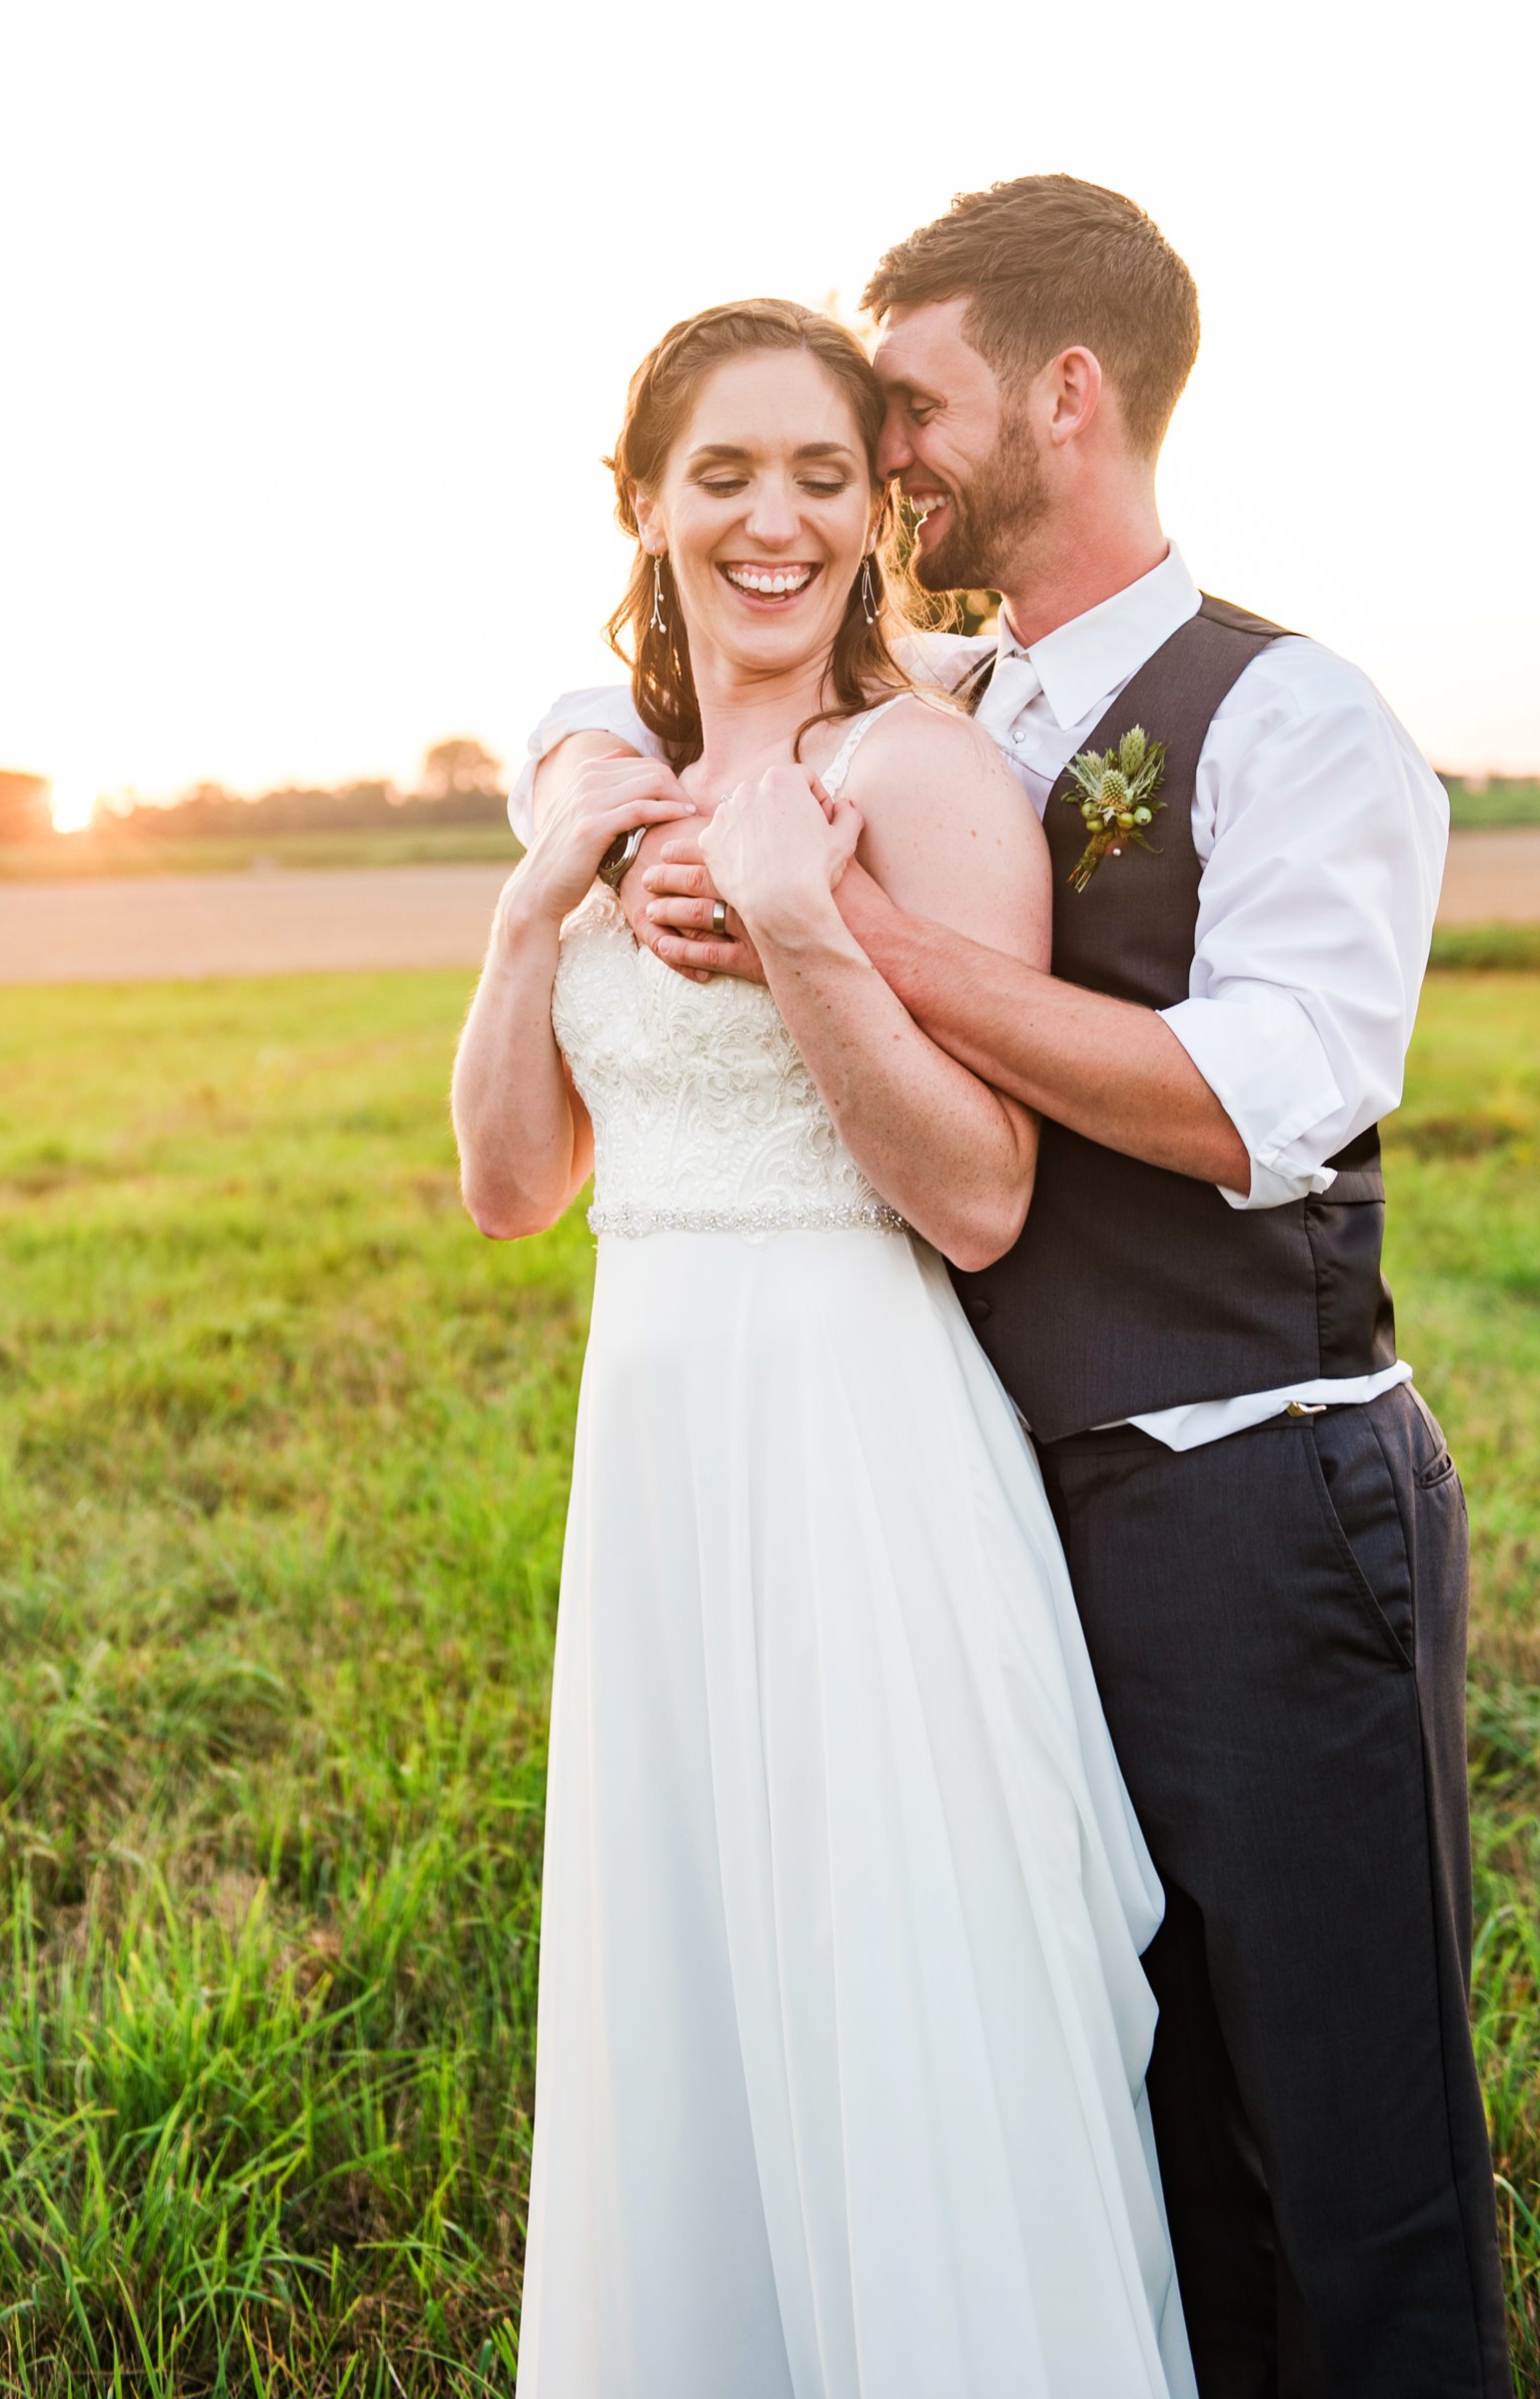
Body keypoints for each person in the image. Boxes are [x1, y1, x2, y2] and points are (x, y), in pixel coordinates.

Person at [507, 179, 1511, 2398]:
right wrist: (592, 772)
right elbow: (657, 661)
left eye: (910, 413)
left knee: (1345, 2144)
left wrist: (834, 932)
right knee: (1114, 2096)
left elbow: (1261, 1100)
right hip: (988, 1506)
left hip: (1252, 1502)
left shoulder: (1294, 714)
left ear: (1069, 395)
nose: (883, 466)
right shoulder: (963, 688)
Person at [454, 296, 1197, 2398]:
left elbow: (975, 1196)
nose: (768, 520)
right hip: (657, 1456)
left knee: (893, 1987)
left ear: (878, 510)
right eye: (721, 474)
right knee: (683, 1987)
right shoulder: (603, 790)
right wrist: (534, 911)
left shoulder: (923, 774)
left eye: (817, 474)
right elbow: (518, 1189)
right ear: (643, 504)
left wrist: (794, 917)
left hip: (858, 1451)